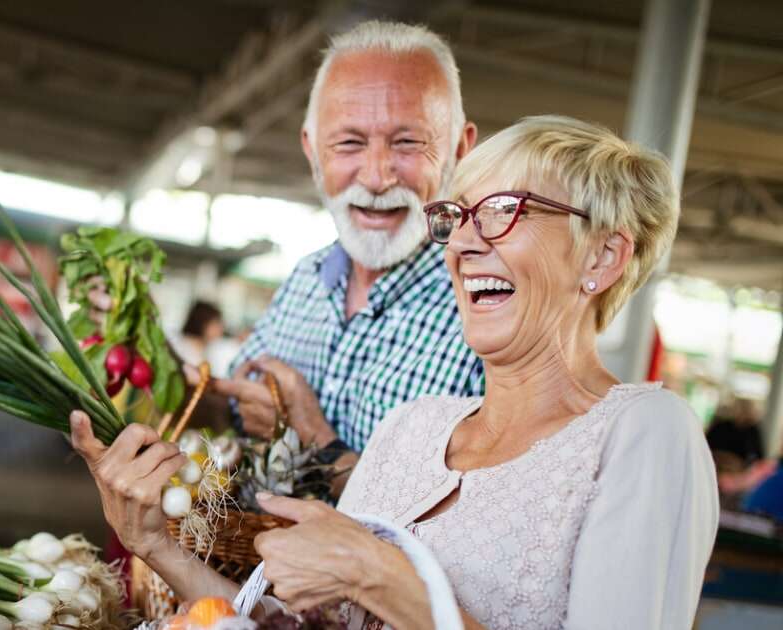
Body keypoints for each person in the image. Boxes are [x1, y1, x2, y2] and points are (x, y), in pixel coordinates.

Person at [70, 114, 719, 629]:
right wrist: (155, 545)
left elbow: (369, 583)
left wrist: (382, 578)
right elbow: (297, 627)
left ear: (603, 257)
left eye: (503, 211)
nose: (463, 243)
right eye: (458, 216)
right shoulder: (411, 428)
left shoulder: (643, 433)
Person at [211, 21, 483, 478]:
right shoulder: (306, 276)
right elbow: (231, 410)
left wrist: (310, 432)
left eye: (408, 142)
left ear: (460, 148)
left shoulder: (485, 306)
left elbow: (468, 516)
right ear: (312, 150)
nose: (377, 178)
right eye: (350, 143)